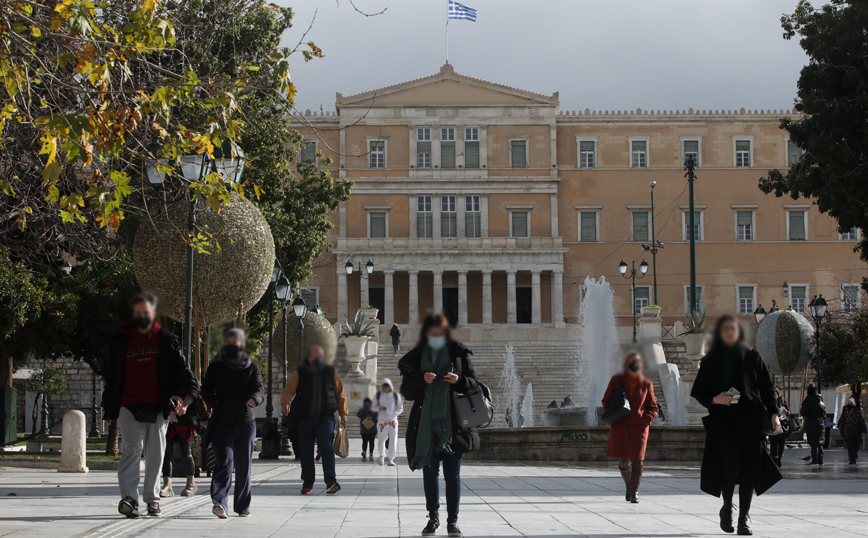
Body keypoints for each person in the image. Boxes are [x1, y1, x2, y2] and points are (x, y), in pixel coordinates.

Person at [101, 292, 199, 519]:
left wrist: (179, 398)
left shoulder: (166, 340)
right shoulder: (121, 340)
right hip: (129, 406)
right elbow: (113, 375)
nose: (142, 316)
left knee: (156, 454)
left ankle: (152, 500)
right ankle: (129, 499)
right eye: (138, 313)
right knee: (131, 451)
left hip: (157, 408)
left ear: (153, 314)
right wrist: (109, 407)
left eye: (146, 312)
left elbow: (183, 373)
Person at [691, 315, 782, 536]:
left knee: (750, 467)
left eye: (734, 328)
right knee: (731, 465)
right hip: (724, 421)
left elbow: (767, 388)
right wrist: (716, 399)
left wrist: (775, 414)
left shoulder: (751, 355)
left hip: (750, 420)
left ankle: (744, 516)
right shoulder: (711, 359)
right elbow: (699, 392)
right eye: (726, 329)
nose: (731, 332)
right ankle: (727, 507)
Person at [399, 313, 481, 538]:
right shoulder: (416, 358)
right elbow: (406, 391)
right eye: (432, 334)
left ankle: (453, 521)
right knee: (429, 472)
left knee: (452, 476)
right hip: (425, 427)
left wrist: (459, 381)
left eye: (440, 333)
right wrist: (420, 379)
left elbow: (475, 383)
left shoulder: (458, 354)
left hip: (453, 425)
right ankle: (432, 517)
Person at [200, 328, 263, 518]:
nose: (231, 345)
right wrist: (215, 402)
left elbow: (259, 389)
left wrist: (254, 398)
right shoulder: (216, 366)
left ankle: (242, 506)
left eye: (235, 342)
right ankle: (219, 503)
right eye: (228, 342)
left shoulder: (252, 367)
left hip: (245, 423)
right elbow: (205, 390)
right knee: (224, 462)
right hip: (222, 423)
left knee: (243, 466)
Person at [281, 345, 348, 495]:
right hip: (305, 418)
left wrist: (344, 413)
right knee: (306, 451)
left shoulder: (331, 373)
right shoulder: (300, 372)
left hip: (326, 418)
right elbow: (288, 390)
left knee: (327, 448)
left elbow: (340, 394)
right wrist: (285, 403)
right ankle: (307, 482)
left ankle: (331, 481)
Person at [601, 351, 659, 503]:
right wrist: (614, 416)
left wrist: (646, 420)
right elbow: (605, 400)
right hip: (620, 426)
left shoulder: (646, 383)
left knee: (638, 460)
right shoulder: (616, 379)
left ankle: (634, 492)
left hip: (638, 428)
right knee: (623, 461)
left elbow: (653, 407)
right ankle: (629, 487)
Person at [159, 398, 199, 498]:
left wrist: (184, 405)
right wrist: (169, 411)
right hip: (169, 417)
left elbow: (194, 389)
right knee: (167, 453)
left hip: (186, 417)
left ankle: (191, 483)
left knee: (186, 453)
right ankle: (167, 484)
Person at [376, 378, 404, 466]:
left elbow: (400, 408)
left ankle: (391, 459)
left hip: (392, 421)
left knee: (393, 439)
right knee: (381, 439)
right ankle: (381, 455)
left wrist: (393, 414)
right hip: (382, 421)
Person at [800, 383, 826, 466]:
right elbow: (824, 415)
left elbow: (805, 413)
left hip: (812, 424)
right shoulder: (821, 403)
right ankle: (820, 459)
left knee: (813, 444)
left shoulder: (808, 402)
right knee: (820, 443)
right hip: (821, 424)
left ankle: (815, 459)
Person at [838, 397, 867, 465]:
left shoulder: (857, 412)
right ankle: (852, 459)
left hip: (855, 432)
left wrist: (864, 429)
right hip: (850, 432)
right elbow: (842, 421)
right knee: (851, 446)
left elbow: (861, 421)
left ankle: (853, 456)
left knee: (855, 446)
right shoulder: (845, 412)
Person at [768, 388, 789, 468]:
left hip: (782, 424)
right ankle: (775, 460)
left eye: (776, 393)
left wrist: (786, 412)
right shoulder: (770, 402)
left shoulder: (782, 401)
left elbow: (788, 411)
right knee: (774, 442)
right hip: (774, 424)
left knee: (781, 442)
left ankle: (779, 458)